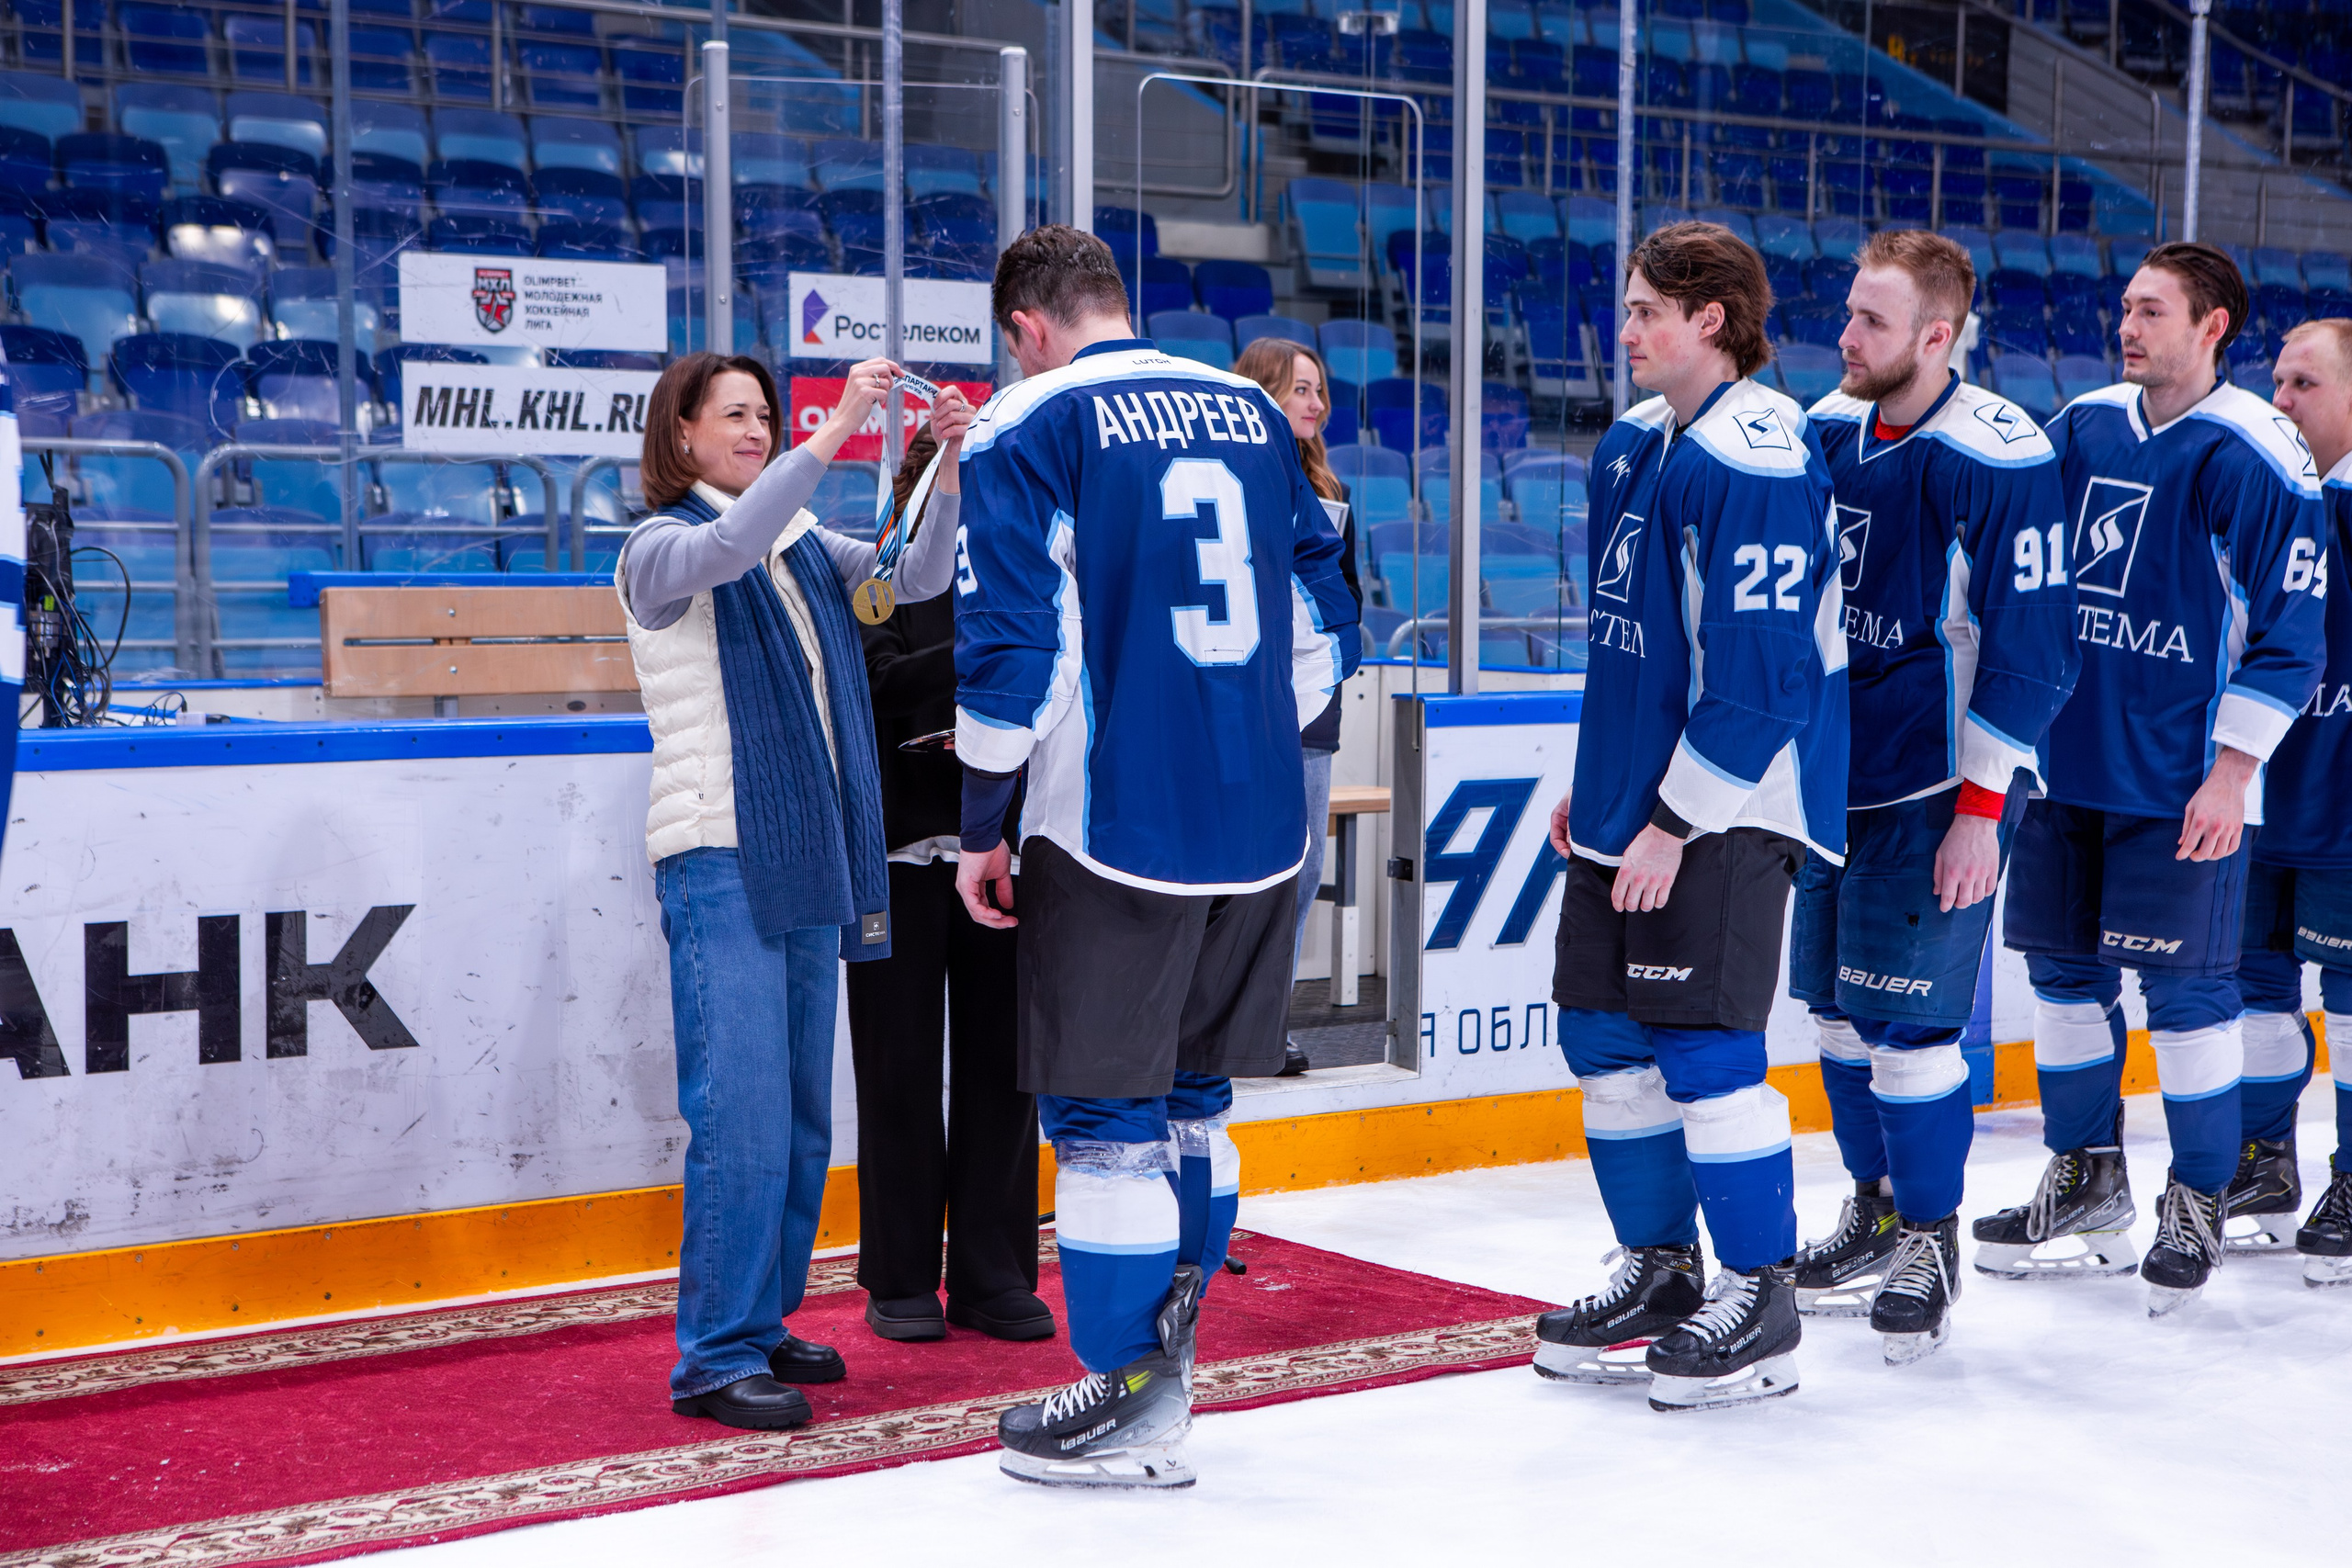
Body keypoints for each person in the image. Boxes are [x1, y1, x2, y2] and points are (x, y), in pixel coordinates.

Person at [948, 226, 1359, 1486]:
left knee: (1102, 1115)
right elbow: (1326, 614)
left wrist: (980, 821)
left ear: (1025, 326)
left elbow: (1019, 646)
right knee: (1196, 1098)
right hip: (1258, 821)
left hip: (1114, 822)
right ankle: (1170, 1361)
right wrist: (1244, 740)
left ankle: (1127, 1388)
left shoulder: (1023, 424)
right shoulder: (1246, 406)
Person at [618, 352, 971, 1429]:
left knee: (804, 1121)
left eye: (766, 415)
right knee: (742, 1117)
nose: (757, 428)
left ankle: (760, 1320)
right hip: (718, 855)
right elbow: (727, 544)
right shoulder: (659, 549)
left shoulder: (799, 543)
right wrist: (835, 436)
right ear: (678, 434)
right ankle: (714, 1355)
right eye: (734, 414)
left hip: (805, 854)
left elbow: (911, 578)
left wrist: (946, 466)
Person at [1531, 221, 1846, 1411]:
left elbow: (1762, 679)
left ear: (1711, 318)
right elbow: (1637, 645)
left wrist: (1671, 819)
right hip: (1631, 805)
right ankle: (1663, 1269)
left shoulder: (1757, 453)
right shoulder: (1638, 443)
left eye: (1646, 310)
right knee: (1605, 1042)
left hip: (1725, 811)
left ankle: (1761, 1298)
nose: (1625, 331)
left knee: (1708, 1051)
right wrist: (1606, 788)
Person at [1983, 243, 2328, 1315]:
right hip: (2059, 763)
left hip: (2179, 783)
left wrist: (2231, 775)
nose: (2125, 326)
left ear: (2212, 324)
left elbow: (2291, 637)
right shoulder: (2082, 425)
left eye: (2150, 311)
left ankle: (2197, 1195)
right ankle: (2085, 1177)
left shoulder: (2254, 453)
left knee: (2187, 997)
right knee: (2060, 981)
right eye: (2122, 307)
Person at [1788, 230, 2078, 1362]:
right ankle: (1870, 1208)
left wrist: (1981, 808)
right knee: (1830, 1011)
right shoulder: (1824, 429)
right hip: (1830, 779)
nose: (1845, 336)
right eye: (1850, 313)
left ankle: (1929, 1237)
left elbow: (2035, 648)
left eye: (1870, 320)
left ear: (1938, 335)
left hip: (1934, 786)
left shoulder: (1995, 452)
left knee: (1911, 1028)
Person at [845, 423, 1050, 1344]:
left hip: (1003, 849)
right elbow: (876, 686)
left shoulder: (1028, 566)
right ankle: (898, 1275)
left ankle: (991, 1271)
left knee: (1004, 1069)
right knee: (896, 1069)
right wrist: (985, 664)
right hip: (895, 850)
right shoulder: (880, 571)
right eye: (958, 477)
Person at [2232, 318, 2352, 1285]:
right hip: (2261, 782)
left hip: (2343, 801)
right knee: (2253, 986)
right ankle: (2265, 1165)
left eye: (2301, 384)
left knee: (2351, 1002)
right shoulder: (2269, 495)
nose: (2278, 401)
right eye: (2273, 380)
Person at [1234, 337, 1364, 1077]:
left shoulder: (1332, 490)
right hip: (1245, 708)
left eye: (1319, 390)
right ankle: (1226, 1020)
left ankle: (1267, 1022)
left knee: (1302, 867)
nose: (1315, 403)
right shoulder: (1237, 478)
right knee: (1245, 869)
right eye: (1299, 389)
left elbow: (1338, 601)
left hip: (1311, 712)